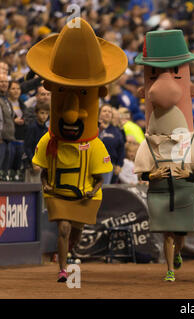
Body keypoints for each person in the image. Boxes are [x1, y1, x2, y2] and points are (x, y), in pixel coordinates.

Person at [27, 18, 126, 282]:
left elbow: (100, 178)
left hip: (84, 195)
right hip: (60, 192)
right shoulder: (49, 140)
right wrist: (45, 183)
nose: (71, 114)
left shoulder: (94, 144)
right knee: (63, 227)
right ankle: (63, 269)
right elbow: (42, 170)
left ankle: (67, 252)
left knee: (76, 231)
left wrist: (91, 190)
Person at [133, 30, 194, 282]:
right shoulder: (149, 142)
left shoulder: (190, 140)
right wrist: (150, 174)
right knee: (166, 232)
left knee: (180, 232)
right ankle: (168, 269)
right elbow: (142, 170)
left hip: (184, 187)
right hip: (160, 188)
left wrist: (188, 173)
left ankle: (178, 252)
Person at [99, 104, 125, 184]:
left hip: (110, 165)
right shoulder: (93, 128)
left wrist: (119, 165)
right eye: (104, 111)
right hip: (94, 163)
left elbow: (121, 149)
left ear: (112, 116)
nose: (107, 113)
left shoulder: (116, 131)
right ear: (99, 114)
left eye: (109, 112)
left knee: (106, 190)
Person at [23, 102, 49, 183]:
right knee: (30, 188)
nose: (44, 116)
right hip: (32, 165)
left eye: (46, 113)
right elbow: (27, 147)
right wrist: (33, 162)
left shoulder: (46, 129)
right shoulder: (32, 127)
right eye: (42, 113)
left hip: (42, 164)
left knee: (40, 189)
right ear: (36, 113)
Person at [8, 80, 27, 181]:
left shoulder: (22, 104)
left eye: (18, 88)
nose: (16, 91)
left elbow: (27, 117)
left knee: (18, 167)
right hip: (9, 139)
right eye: (13, 88)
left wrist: (24, 121)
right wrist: (13, 120)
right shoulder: (5, 103)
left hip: (21, 139)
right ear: (8, 90)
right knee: (8, 166)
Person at [0, 73, 15, 181]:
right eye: (1, 81)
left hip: (8, 138)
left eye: (6, 81)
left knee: (5, 171)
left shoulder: (6, 99)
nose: (4, 84)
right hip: (1, 139)